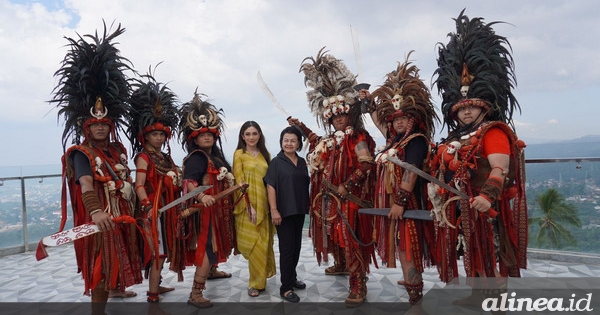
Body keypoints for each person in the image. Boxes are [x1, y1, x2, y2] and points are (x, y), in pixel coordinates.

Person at [429, 9, 528, 298]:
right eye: (461, 108)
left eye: (471, 106)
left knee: (492, 255)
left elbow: (500, 168)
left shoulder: (493, 132)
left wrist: (487, 197)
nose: (466, 110)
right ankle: (477, 298)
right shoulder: (454, 137)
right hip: (462, 208)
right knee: (471, 254)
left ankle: (495, 303)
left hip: (486, 208)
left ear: (484, 106)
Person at [49, 23, 142, 313]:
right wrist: (96, 212)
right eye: (95, 124)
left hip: (122, 215)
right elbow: (86, 184)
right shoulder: (80, 153)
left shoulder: (117, 150)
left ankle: (118, 289)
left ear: (109, 125)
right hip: (98, 218)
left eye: (105, 124)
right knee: (100, 268)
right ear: (87, 126)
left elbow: (126, 178)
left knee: (121, 259)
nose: (101, 127)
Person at [289, 47, 376, 307]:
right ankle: (340, 265)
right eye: (334, 116)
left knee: (350, 239)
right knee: (335, 234)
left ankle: (358, 284)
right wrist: (301, 127)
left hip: (351, 198)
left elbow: (366, 164)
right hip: (331, 197)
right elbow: (316, 142)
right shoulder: (330, 140)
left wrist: (346, 186)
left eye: (342, 115)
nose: (339, 119)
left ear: (350, 114)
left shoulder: (358, 137)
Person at [359, 52, 439, 305]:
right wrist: (367, 102)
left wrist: (401, 201)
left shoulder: (415, 141)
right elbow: (378, 123)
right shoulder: (393, 140)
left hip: (408, 206)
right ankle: (411, 284)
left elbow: (411, 170)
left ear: (413, 119)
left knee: (407, 248)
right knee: (403, 247)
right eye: (396, 120)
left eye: (404, 118)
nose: (399, 123)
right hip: (395, 206)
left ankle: (415, 295)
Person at [175, 91, 237, 309]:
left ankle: (210, 272)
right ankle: (195, 293)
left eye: (210, 134)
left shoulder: (216, 157)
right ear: (195, 139)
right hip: (205, 213)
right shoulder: (197, 158)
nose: (207, 137)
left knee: (216, 244)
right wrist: (201, 195)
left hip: (219, 210)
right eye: (202, 135)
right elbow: (189, 182)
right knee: (208, 247)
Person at [127, 72, 181, 303]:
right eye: (154, 134)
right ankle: (152, 296)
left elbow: (175, 176)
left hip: (167, 208)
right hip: (152, 210)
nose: (159, 138)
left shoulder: (165, 158)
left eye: (161, 134)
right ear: (145, 137)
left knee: (165, 247)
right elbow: (139, 185)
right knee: (156, 250)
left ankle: (157, 286)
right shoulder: (144, 158)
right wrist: (148, 207)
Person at [264, 126, 310, 303]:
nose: (289, 143)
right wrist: (274, 210)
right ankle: (286, 288)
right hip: (283, 213)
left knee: (296, 247)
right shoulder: (276, 162)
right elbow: (271, 186)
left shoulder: (302, 162)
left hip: (298, 210)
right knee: (287, 250)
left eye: (293, 140)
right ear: (281, 142)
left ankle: (292, 277)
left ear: (298, 143)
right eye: (286, 140)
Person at [232, 121, 276, 297]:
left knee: (263, 244)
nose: (251, 137)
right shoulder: (239, 154)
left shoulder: (266, 155)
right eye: (248, 134)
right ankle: (255, 282)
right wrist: (248, 206)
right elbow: (239, 182)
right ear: (242, 136)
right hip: (247, 206)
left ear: (260, 135)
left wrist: (273, 207)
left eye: (254, 133)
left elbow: (271, 182)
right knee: (252, 244)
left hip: (264, 205)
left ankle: (257, 282)